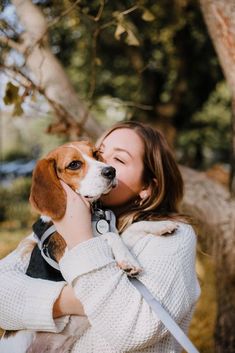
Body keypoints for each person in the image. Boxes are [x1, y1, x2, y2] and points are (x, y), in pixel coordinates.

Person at [0, 121, 201, 352]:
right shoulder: (52, 229)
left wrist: (81, 238)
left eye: (120, 159)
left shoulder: (175, 237)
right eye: (100, 154)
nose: (103, 166)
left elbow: (131, 329)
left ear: (148, 186)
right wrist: (72, 302)